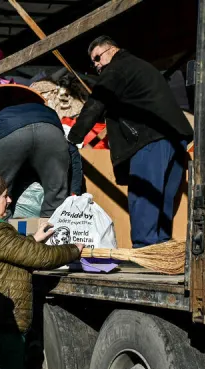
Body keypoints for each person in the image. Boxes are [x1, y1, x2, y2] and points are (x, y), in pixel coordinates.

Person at [0, 168, 82, 369]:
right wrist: (74, 250)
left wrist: (34, 238)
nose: (9, 200)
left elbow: (13, 250)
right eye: (4, 196)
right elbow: (40, 257)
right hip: (5, 324)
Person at [68, 36, 194, 248]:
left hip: (150, 137)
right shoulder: (139, 66)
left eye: (97, 57)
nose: (97, 65)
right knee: (162, 197)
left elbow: (96, 102)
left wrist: (72, 139)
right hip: (175, 138)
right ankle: (161, 251)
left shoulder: (117, 68)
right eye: (93, 62)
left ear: (112, 49)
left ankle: (144, 251)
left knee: (144, 195)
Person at [0, 101, 75, 216]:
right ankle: (51, 229)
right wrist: (76, 192)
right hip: (50, 131)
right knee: (56, 193)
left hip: (9, 131)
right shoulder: (47, 113)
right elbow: (73, 154)